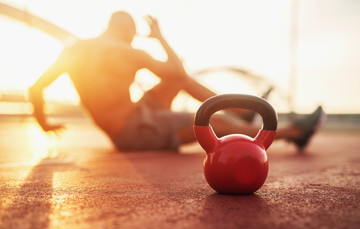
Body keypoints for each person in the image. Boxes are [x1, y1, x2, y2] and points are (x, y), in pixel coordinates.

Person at [29, 11, 324, 152]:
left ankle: (240, 113)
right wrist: (160, 38)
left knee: (177, 83)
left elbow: (36, 87)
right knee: (209, 124)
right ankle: (294, 132)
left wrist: (44, 122)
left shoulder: (73, 52)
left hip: (135, 115)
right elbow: (177, 69)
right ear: (129, 32)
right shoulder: (130, 52)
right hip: (134, 133)